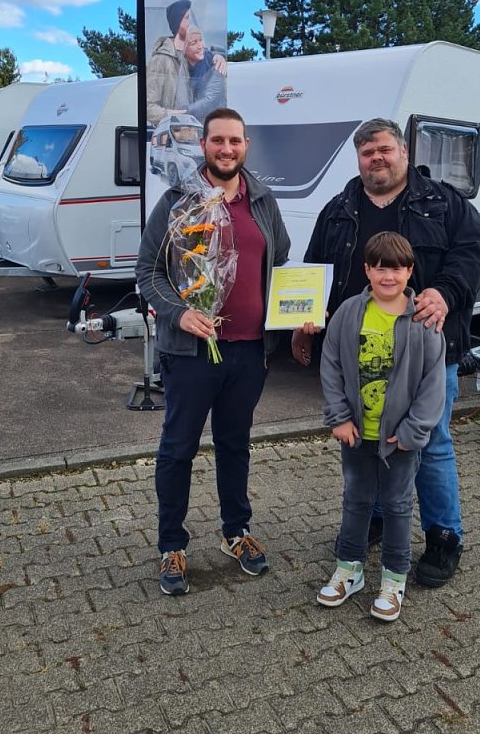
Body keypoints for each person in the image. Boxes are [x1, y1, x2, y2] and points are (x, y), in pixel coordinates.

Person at [293, 118, 480, 587]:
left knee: (430, 441)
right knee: (368, 439)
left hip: (427, 350)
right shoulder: (339, 209)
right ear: (359, 159)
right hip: (361, 355)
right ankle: (376, 518)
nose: (376, 159)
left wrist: (445, 292)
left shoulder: (444, 203)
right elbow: (315, 271)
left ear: (403, 151)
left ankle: (443, 535)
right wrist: (302, 324)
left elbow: (473, 254)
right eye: (367, 153)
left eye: (384, 149)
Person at [135, 107, 290, 596]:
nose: (227, 149)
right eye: (218, 140)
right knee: (178, 448)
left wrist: (297, 312)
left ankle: (235, 532)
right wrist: (178, 313)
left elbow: (281, 261)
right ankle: (171, 544)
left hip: (249, 350)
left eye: (235, 141)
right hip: (191, 353)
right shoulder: (178, 201)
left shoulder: (262, 200)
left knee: (235, 444)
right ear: (203, 145)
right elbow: (148, 272)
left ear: (246, 146)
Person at [318, 232, 445, 622]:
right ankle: (349, 569)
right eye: (379, 268)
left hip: (399, 440)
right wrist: (339, 417)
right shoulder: (349, 313)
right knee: (355, 501)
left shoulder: (423, 321)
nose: (388, 277)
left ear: (409, 271)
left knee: (397, 505)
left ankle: (393, 579)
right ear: (367, 270)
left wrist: (412, 432)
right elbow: (331, 365)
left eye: (396, 269)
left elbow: (433, 384)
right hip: (357, 435)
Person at [183, 25, 226, 122]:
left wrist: (182, 111)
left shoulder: (215, 65)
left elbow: (210, 100)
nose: (200, 46)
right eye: (193, 43)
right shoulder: (179, 66)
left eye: (201, 40)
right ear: (184, 48)